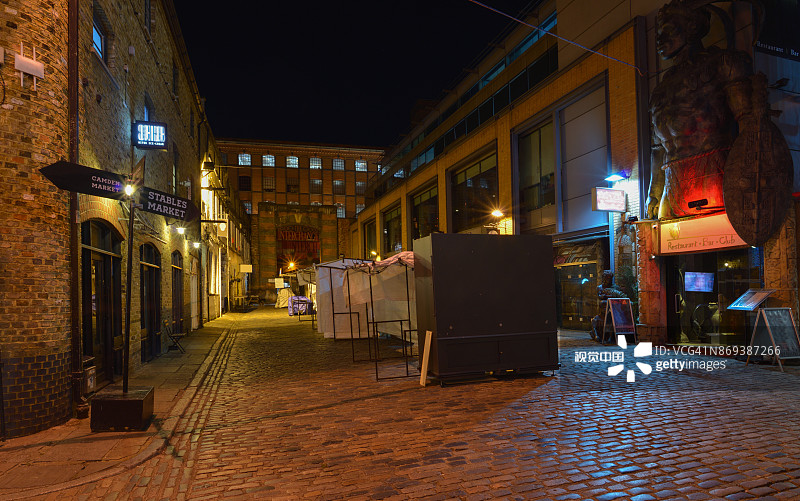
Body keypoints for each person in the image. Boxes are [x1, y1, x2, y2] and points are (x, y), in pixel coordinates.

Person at [646, 0, 754, 219]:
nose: (660, 38)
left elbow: (749, 124)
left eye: (668, 29)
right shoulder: (659, 92)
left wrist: (750, 176)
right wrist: (654, 193)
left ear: (692, 27)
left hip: (716, 177)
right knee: (667, 247)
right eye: (658, 32)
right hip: (671, 185)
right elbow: (658, 150)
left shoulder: (723, 64)